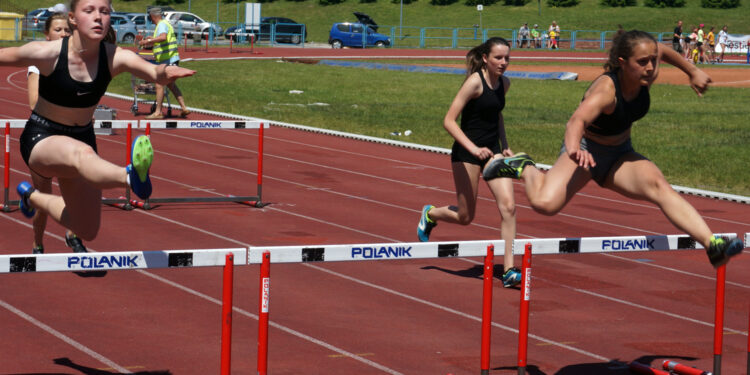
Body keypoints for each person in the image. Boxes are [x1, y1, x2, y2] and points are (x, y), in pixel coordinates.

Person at [481, 30, 743, 268]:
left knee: (658, 186)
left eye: (652, 60)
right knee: (544, 204)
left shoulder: (646, 72)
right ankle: (525, 168)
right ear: (622, 62)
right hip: (585, 151)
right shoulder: (607, 91)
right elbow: (576, 121)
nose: (651, 67)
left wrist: (691, 70)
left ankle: (712, 244)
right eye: (642, 62)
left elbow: (661, 50)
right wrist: (573, 151)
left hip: (620, 155)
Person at [1, 0, 194, 243]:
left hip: (82, 133)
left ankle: (32, 197)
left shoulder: (114, 57)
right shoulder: (47, 53)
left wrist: (165, 72)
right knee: (82, 154)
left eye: (104, 12)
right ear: (72, 18)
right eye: (89, 11)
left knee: (87, 230)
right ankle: (129, 175)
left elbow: (152, 71)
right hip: (42, 135)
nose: (98, 18)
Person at [417, 37, 524, 288]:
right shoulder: (474, 83)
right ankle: (431, 214)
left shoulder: (504, 84)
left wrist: (505, 144)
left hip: (493, 152)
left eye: (507, 58)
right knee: (466, 216)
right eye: (498, 58)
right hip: (467, 152)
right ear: (485, 58)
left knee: (508, 206)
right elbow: (449, 121)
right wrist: (474, 149)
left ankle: (508, 269)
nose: (504, 63)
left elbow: (496, 114)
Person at [25, 11, 88, 254]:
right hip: (43, 138)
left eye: (67, 30)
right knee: (45, 200)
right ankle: (37, 244)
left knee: (77, 192)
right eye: (58, 30)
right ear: (46, 34)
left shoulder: (77, 61)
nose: (63, 34)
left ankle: (73, 236)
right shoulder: (38, 62)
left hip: (71, 138)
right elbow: (33, 102)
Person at [139, 7, 190, 119]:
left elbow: (163, 37)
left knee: (159, 84)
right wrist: (152, 39)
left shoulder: (161, 24)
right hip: (171, 59)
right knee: (171, 84)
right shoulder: (164, 24)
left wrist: (148, 41)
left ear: (152, 16)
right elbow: (163, 39)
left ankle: (158, 112)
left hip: (168, 60)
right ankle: (184, 108)